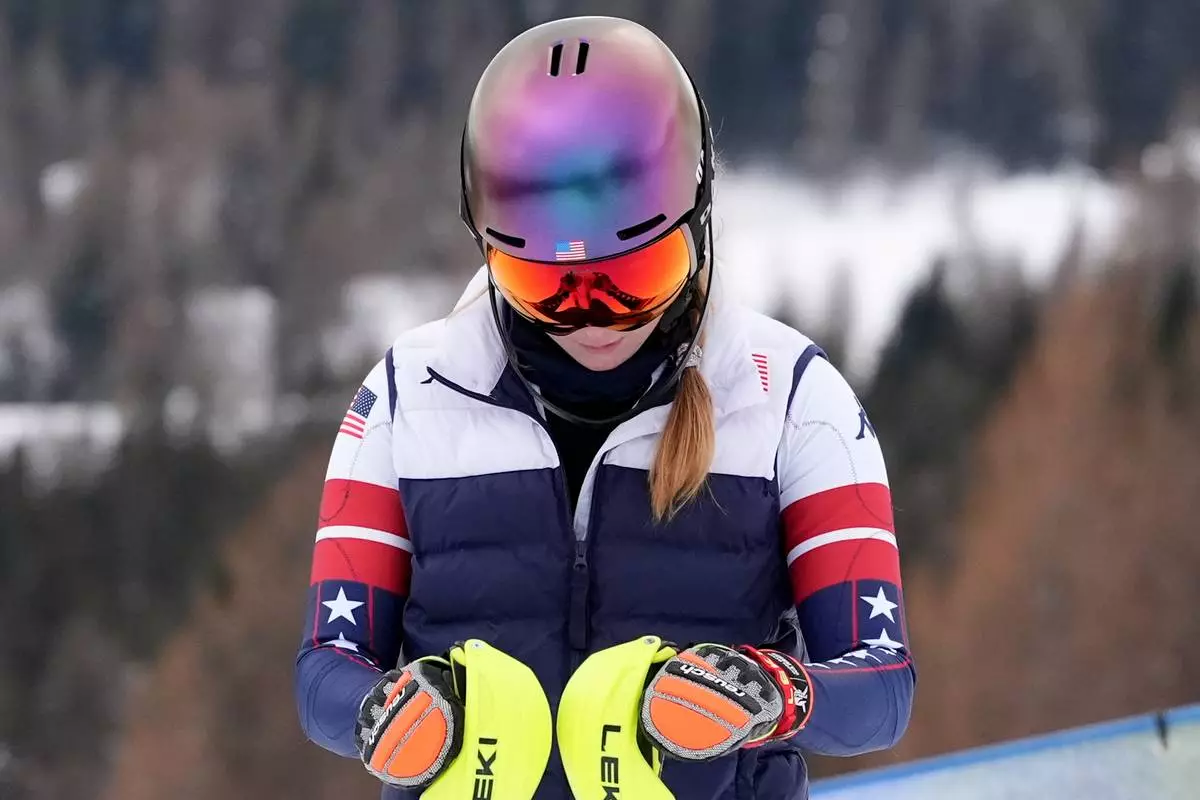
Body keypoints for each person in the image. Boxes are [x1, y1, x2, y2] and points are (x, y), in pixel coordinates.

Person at [294, 14, 915, 800]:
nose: (594, 320)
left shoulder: (790, 399)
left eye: (637, 277)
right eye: (546, 286)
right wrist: (384, 713)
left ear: (698, 223)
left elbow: (881, 686)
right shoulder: (410, 396)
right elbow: (326, 669)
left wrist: (770, 693)